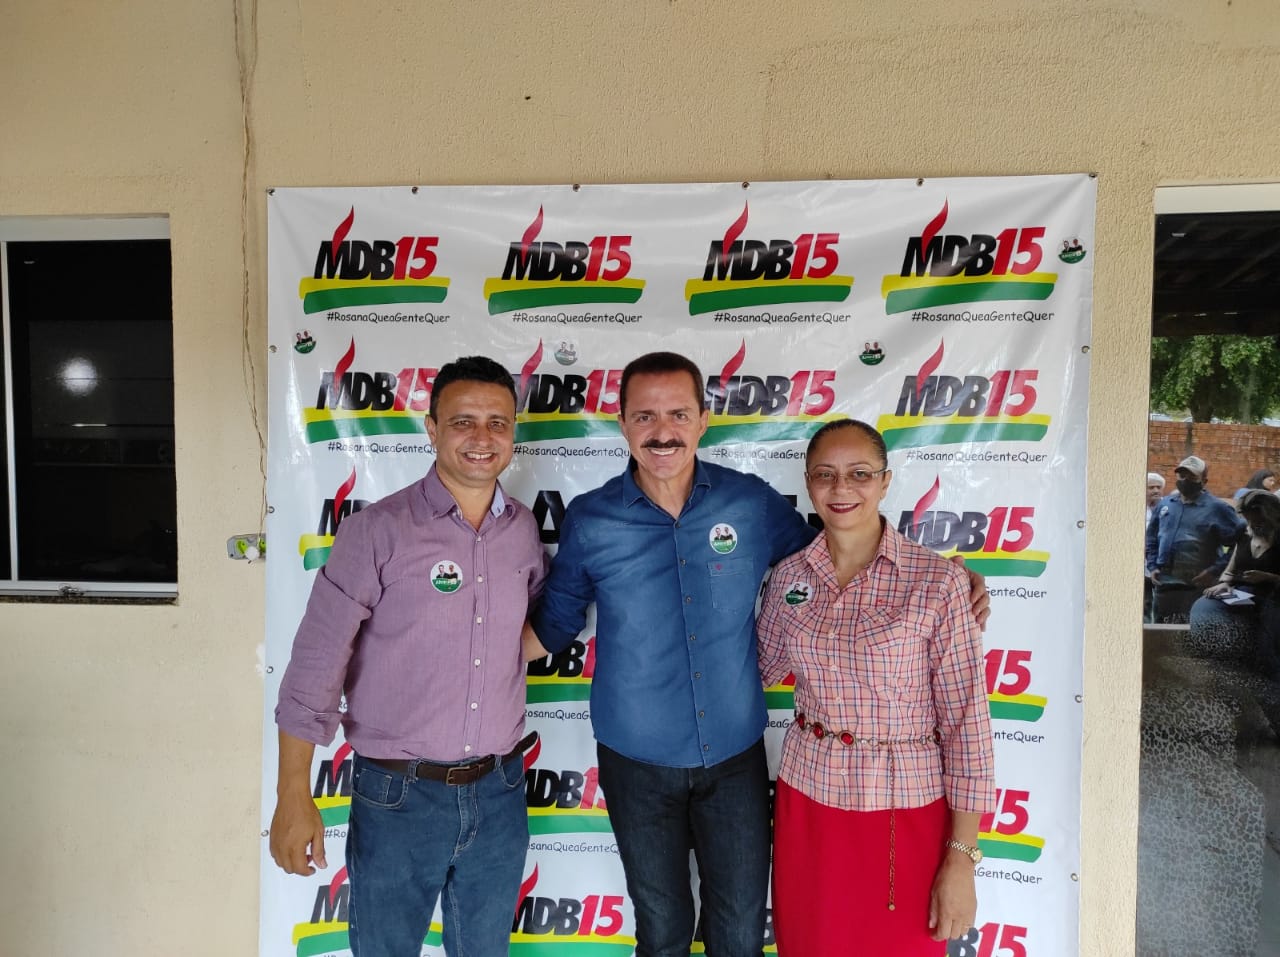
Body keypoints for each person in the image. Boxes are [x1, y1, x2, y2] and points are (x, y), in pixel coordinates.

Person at [527, 351, 988, 957]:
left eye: (678, 414)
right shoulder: (590, 519)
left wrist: (944, 577)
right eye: (645, 416)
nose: (663, 431)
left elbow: (836, 552)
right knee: (661, 929)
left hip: (734, 760)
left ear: (703, 420)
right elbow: (555, 624)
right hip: (634, 759)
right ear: (623, 424)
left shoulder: (748, 502)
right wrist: (463, 653)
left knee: (741, 929)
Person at [270, 356, 549, 957]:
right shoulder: (376, 531)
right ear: (431, 428)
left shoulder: (523, 532)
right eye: (463, 421)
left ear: (513, 432)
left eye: (498, 423)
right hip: (399, 795)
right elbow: (316, 666)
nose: (482, 437)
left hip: (500, 791)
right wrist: (292, 793)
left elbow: (523, 632)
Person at [756, 418, 995, 955]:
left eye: (860, 473)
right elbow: (751, 672)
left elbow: (968, 727)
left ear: (885, 482)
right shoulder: (789, 577)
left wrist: (962, 859)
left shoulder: (938, 583)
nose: (841, 488)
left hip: (904, 809)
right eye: (825, 474)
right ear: (808, 483)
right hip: (807, 804)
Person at [1190, 489, 1280, 672]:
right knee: (1204, 606)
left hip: (1273, 597)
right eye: (1249, 520)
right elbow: (1230, 570)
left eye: (1259, 521)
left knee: (1267, 638)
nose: (1252, 525)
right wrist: (1224, 583)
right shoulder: (1243, 532)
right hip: (1244, 595)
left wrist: (1268, 577)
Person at [1146, 455, 1243, 623]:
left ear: (1204, 481)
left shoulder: (1218, 508)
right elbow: (1151, 537)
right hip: (1165, 585)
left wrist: (1214, 571)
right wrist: (1152, 565)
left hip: (1198, 586)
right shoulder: (1165, 504)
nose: (1185, 480)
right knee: (1162, 632)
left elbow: (1240, 543)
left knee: (1194, 632)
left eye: (1192, 477)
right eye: (1182, 475)